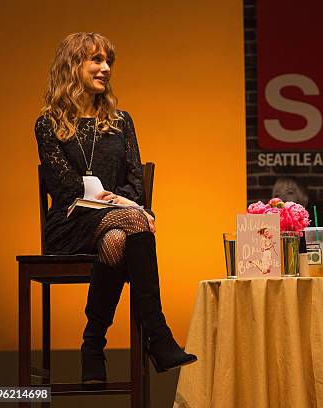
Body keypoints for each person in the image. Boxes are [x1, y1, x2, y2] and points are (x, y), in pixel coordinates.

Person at [35, 32, 196, 383]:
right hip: (70, 223)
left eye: (108, 61)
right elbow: (65, 188)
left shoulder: (121, 121)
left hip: (113, 224)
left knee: (118, 240)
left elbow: (135, 182)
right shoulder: (47, 125)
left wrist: (124, 202)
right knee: (136, 220)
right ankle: (159, 336)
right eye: (96, 60)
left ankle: (93, 344)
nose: (105, 68)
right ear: (72, 65)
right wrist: (127, 205)